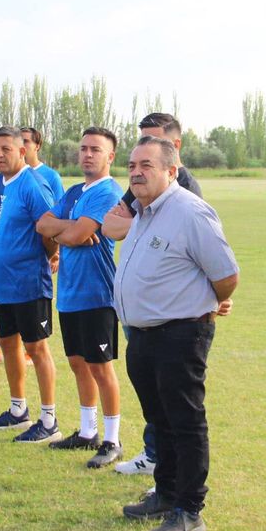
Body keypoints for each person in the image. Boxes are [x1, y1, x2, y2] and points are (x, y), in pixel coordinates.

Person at [113, 136, 238, 531]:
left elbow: (226, 275)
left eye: (147, 165)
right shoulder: (144, 212)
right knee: (159, 419)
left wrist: (201, 305)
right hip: (144, 335)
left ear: (172, 169)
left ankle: (189, 508)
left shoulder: (190, 211)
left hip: (181, 333)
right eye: (132, 165)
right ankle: (165, 493)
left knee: (184, 421)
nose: (136, 172)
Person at [103, 112, 202, 477]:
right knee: (153, 399)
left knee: (176, 406)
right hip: (139, 311)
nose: (142, 157)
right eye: (139, 144)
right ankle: (156, 460)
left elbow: (211, 261)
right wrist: (145, 225)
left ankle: (176, 484)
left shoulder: (187, 189)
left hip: (173, 316)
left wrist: (144, 225)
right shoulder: (139, 186)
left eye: (152, 143)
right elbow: (110, 225)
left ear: (173, 149)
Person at [36, 126, 125, 468]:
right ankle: (87, 432)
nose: (88, 154)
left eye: (96, 150)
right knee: (77, 364)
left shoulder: (108, 192)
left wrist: (68, 231)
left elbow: (79, 232)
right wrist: (67, 231)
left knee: (101, 368)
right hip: (69, 294)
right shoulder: (73, 192)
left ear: (109, 157)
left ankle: (112, 438)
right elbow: (43, 224)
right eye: (84, 148)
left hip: (97, 294)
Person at [0, 127, 61, 441]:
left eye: (6, 149)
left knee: (36, 348)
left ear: (22, 151)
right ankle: (18, 409)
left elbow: (49, 230)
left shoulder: (33, 185)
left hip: (29, 283)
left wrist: (53, 256)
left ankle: (49, 420)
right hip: (1, 282)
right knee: (8, 343)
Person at [20, 126, 66, 204]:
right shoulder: (10, 176)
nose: (21, 145)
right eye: (19, 142)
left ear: (37, 146)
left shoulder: (52, 176)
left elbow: (60, 208)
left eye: (25, 141)